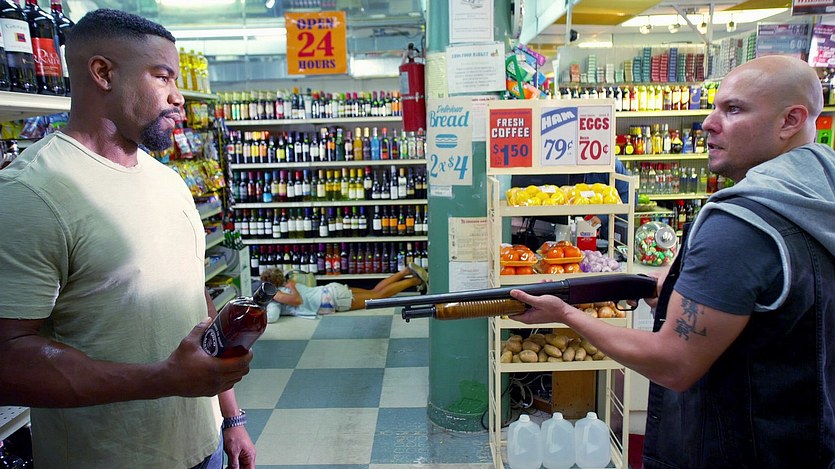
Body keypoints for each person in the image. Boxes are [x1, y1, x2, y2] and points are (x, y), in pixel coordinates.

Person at [509, 55, 835, 468]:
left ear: (791, 120)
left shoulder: (740, 225)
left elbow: (673, 364)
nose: (708, 123)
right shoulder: (820, 195)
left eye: (734, 110)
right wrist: (685, 289)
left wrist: (565, 314)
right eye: (714, 107)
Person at [0, 9, 256, 469]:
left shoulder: (170, 182)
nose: (179, 96)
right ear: (103, 73)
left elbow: (195, 302)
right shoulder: (32, 193)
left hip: (205, 449)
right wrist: (164, 379)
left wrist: (230, 417)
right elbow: (8, 356)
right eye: (162, 76)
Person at [260, 263, 428, 320]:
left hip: (333, 299)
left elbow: (297, 301)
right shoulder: (289, 283)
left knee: (378, 297)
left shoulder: (278, 293)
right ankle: (406, 271)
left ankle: (415, 280)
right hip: (332, 290)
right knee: (374, 292)